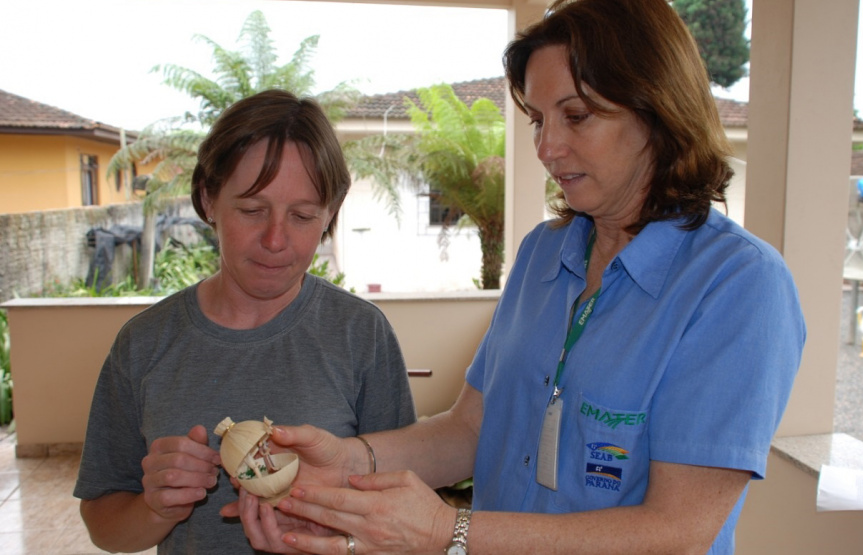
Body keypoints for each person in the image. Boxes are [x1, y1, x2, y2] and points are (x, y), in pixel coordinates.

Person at [234, 1, 806, 553]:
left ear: (657, 111)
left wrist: (446, 534)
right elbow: (470, 430)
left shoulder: (738, 286)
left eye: (576, 116)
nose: (547, 147)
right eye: (537, 119)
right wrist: (349, 459)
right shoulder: (543, 254)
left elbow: (676, 534)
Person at [73, 89, 416, 554]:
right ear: (208, 199)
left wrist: (334, 537)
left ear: (329, 215)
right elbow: (103, 526)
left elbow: (401, 515)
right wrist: (158, 507)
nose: (276, 239)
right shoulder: (144, 345)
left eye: (302, 215)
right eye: (252, 210)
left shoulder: (361, 334)